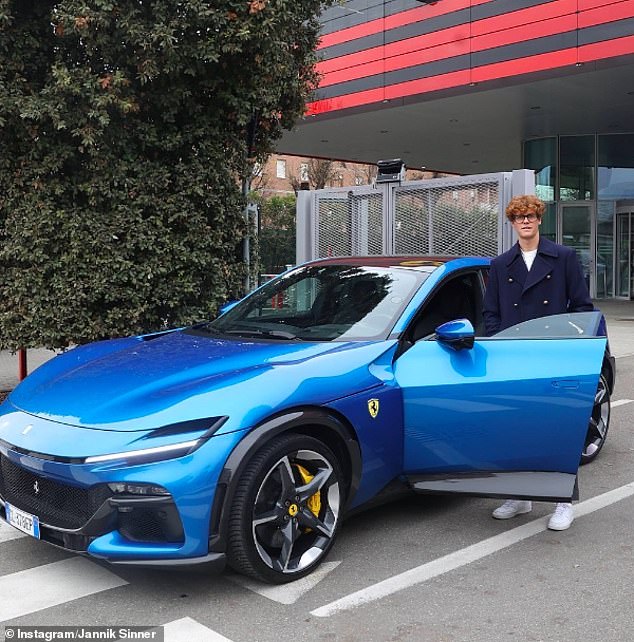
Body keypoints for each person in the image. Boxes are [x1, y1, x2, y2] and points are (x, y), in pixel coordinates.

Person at [483, 194, 593, 531]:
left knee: (558, 428)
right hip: (515, 358)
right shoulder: (501, 265)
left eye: (530, 215)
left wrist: (569, 346)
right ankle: (519, 496)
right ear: (512, 223)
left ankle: (562, 501)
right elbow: (491, 313)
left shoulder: (563, 257)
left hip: (553, 357)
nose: (525, 222)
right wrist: (502, 348)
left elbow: (582, 307)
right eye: (519, 218)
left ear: (539, 219)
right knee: (514, 427)